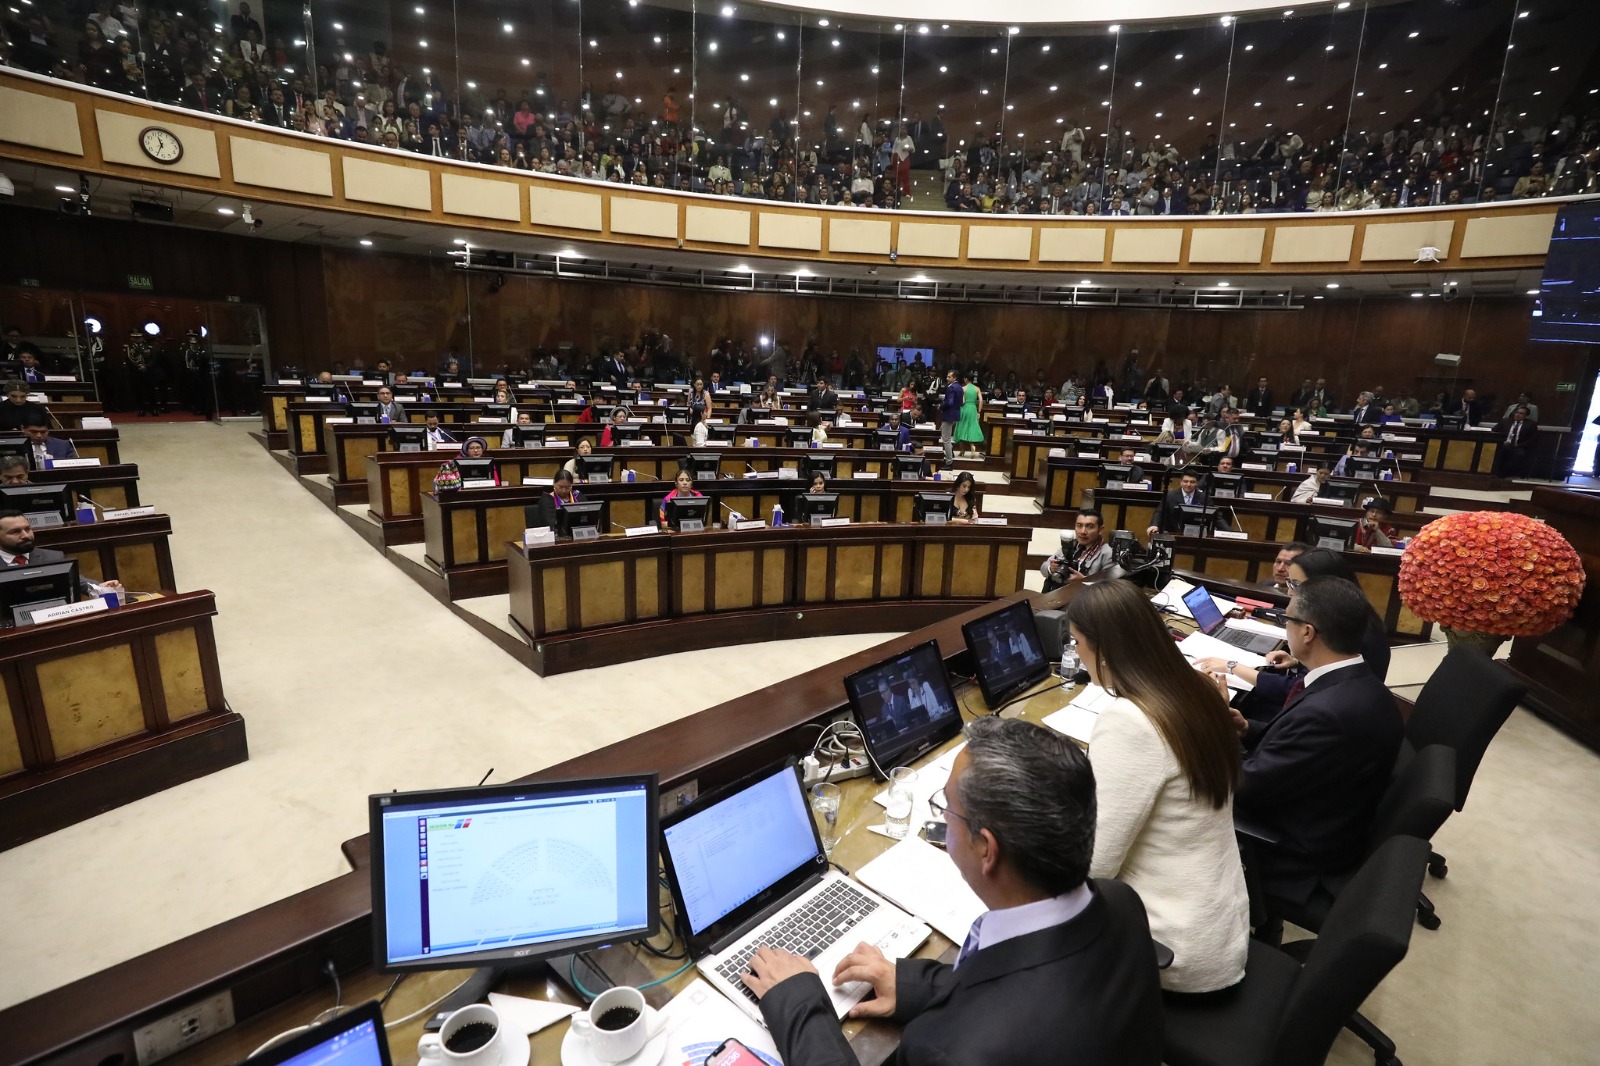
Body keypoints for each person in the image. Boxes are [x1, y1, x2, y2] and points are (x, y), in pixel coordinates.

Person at [740, 715, 1164, 1066]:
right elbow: (1017, 981)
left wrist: (798, 1002)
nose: (943, 822)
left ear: (986, 849)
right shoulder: (1120, 903)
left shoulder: (953, 1052)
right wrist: (909, 983)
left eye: (946, 809)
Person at [1066, 580, 1249, 993]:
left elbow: (1093, 865)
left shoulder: (1129, 720)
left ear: (1106, 649)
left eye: (1078, 642)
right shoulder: (1195, 688)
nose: (1076, 654)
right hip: (1218, 923)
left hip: (1172, 948)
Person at [1230, 576, 1404, 910]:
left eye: (1287, 621)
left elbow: (1245, 787)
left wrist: (1196, 737)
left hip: (1289, 853)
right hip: (1324, 815)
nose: (1286, 629)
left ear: (1307, 632)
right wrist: (1247, 728)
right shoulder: (1357, 680)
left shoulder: (1328, 714)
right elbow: (1299, 748)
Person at [0, 511, 124, 598]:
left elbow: (79, 582)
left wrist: (100, 588)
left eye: (28, 529)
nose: (26, 535)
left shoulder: (51, 557)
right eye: (15, 532)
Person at [1043, 509, 1113, 590]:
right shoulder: (1070, 545)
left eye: (1090, 527)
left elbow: (1109, 587)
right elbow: (1044, 566)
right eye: (1079, 525)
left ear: (1100, 529)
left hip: (1085, 599)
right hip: (1060, 593)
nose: (1083, 531)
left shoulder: (1108, 553)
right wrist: (1051, 569)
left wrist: (1083, 581)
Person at [1146, 472, 1204, 538]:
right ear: (1181, 482)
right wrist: (1154, 525)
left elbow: (1215, 516)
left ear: (1197, 483)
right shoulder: (1170, 496)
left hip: (1195, 536)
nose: (1188, 484)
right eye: (1185, 481)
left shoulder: (1204, 498)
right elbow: (1159, 511)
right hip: (1171, 533)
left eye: (1192, 482)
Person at [1493, 405, 1538, 478]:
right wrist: (1501, 441)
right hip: (1503, 444)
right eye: (1517, 412)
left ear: (1526, 416)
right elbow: (1494, 431)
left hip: (1518, 446)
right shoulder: (1505, 421)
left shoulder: (1531, 424)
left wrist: (1519, 445)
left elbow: (1532, 439)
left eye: (1521, 414)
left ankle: (1503, 474)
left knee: (1518, 454)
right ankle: (1495, 472)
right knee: (1498, 451)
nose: (1518, 415)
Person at [953, 372, 984, 459]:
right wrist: (979, 411)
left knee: (962, 427)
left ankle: (962, 450)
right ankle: (972, 445)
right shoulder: (977, 388)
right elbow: (981, 400)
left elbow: (962, 401)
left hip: (964, 408)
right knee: (971, 427)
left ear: (966, 379)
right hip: (973, 408)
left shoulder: (963, 388)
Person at [939, 370, 962, 466]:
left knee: (946, 439)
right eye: (947, 376)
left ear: (954, 378)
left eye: (949, 377)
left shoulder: (951, 388)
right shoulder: (959, 387)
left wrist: (941, 406)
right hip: (955, 414)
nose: (947, 378)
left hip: (948, 415)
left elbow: (950, 402)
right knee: (942, 433)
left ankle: (949, 462)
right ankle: (950, 453)